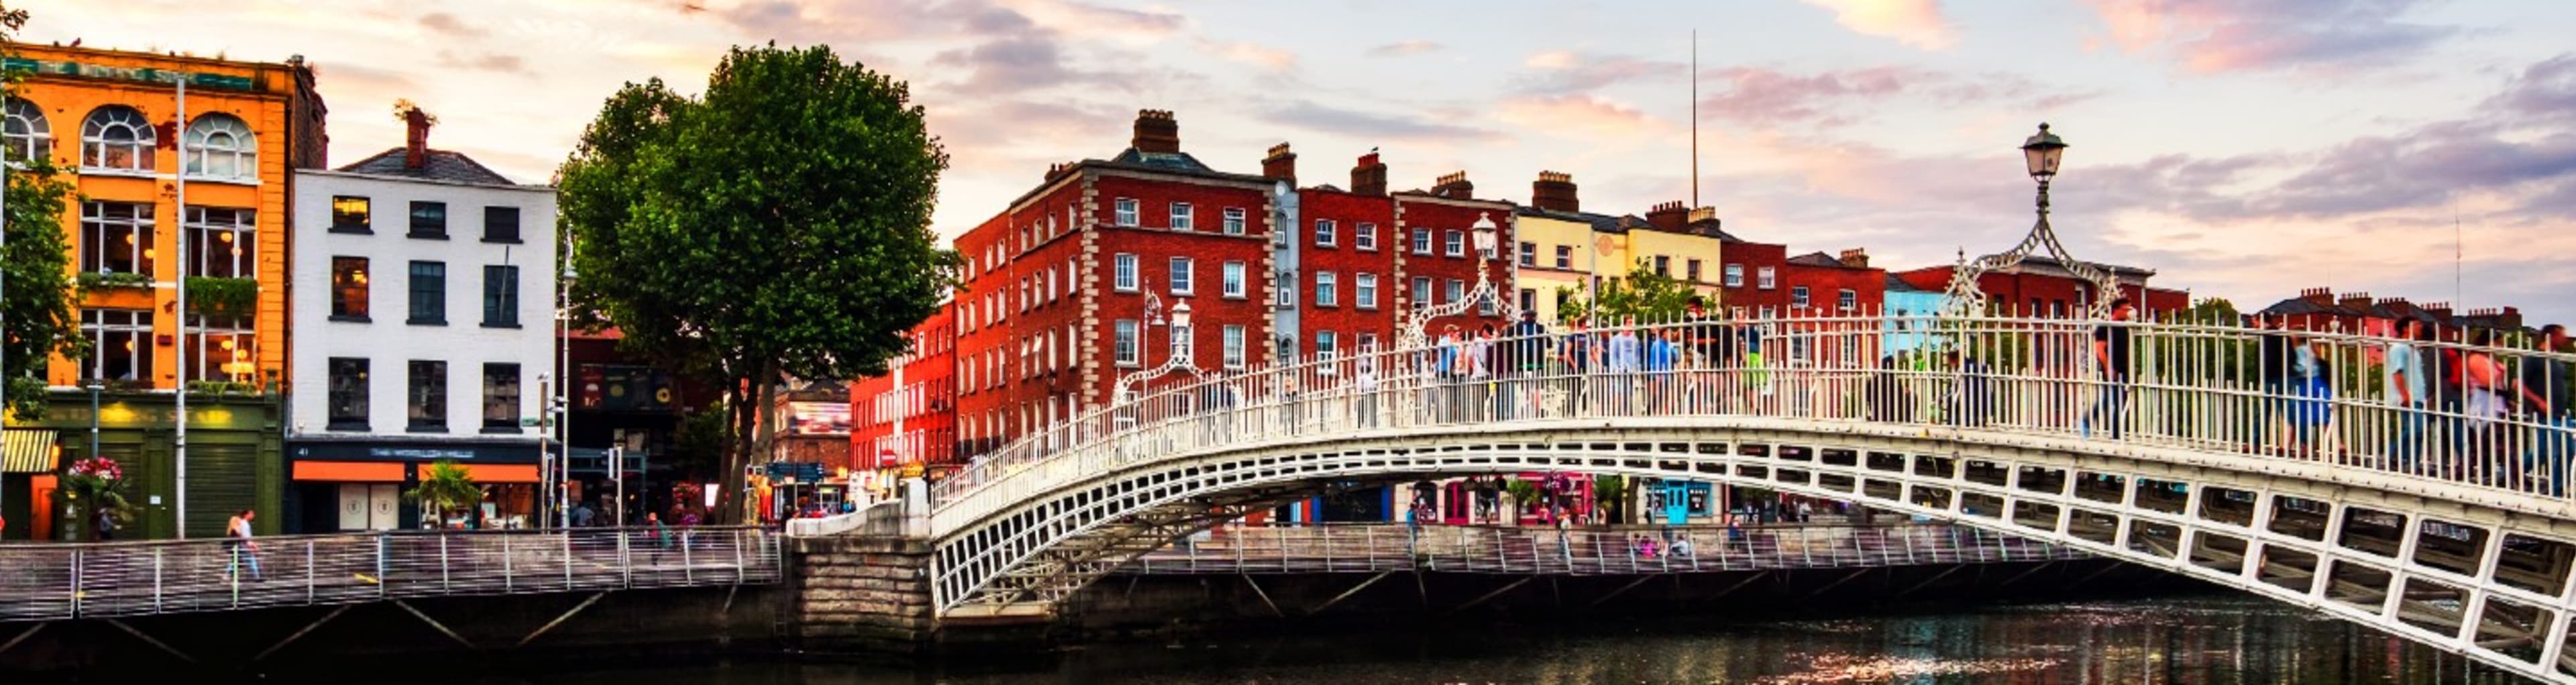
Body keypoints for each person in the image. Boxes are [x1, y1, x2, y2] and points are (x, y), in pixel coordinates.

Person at [2082, 299, 2137, 440]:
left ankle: (2111, 430)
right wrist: (2108, 367)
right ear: (2117, 310)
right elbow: (2100, 349)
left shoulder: (2125, 327)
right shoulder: (2106, 326)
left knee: (2117, 400)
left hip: (2124, 369)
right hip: (2112, 370)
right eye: (2126, 310)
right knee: (2113, 400)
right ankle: (2091, 422)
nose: (2128, 313)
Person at [2385, 319, 2431, 474]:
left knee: (2419, 432)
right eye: (2417, 325)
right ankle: (2391, 455)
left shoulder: (2413, 349)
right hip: (2408, 397)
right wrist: (2405, 394)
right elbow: (2397, 372)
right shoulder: (2399, 348)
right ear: (2406, 328)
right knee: (2416, 429)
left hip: (2417, 396)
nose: (2421, 327)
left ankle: (2412, 463)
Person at [1607, 317, 1643, 416]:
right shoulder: (1616, 339)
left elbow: (1637, 355)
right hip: (1620, 370)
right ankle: (1616, 413)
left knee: (1629, 392)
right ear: (1624, 325)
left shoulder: (1635, 339)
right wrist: (1616, 368)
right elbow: (1613, 355)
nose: (1632, 325)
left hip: (1631, 370)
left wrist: (1637, 367)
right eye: (1630, 322)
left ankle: (1627, 413)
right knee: (1619, 392)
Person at [226, 509, 262, 581]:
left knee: (236, 561)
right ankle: (256, 577)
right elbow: (245, 537)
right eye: (251, 514)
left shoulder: (242, 523)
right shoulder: (244, 524)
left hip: (241, 546)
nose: (253, 516)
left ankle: (227, 575)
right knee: (250, 560)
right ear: (246, 515)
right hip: (243, 546)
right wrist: (252, 546)